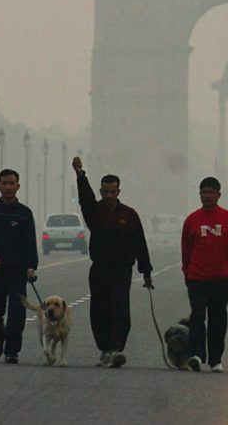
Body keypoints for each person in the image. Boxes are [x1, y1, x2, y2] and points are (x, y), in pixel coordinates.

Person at [73, 156, 153, 369]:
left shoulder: (129, 214)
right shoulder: (94, 212)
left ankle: (117, 347)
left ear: (119, 192)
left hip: (122, 269)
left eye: (113, 192)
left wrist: (146, 271)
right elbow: (85, 198)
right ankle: (104, 348)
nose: (109, 195)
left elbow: (140, 243)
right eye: (105, 192)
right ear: (101, 191)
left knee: (120, 309)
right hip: (100, 268)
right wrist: (81, 176)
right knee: (99, 310)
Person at [181, 177, 228, 373]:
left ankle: (215, 359)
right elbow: (186, 249)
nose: (207, 196)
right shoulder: (192, 220)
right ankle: (196, 355)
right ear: (199, 194)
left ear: (218, 195)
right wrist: (187, 272)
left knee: (218, 318)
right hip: (197, 278)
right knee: (197, 316)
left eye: (211, 192)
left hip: (220, 278)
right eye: (204, 192)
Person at [0, 169, 38, 364]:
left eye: (12, 183)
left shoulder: (24, 214)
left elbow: (30, 243)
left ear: (18, 186)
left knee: (16, 314)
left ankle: (12, 351)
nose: (8, 187)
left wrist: (31, 267)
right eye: (5, 183)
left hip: (18, 273)